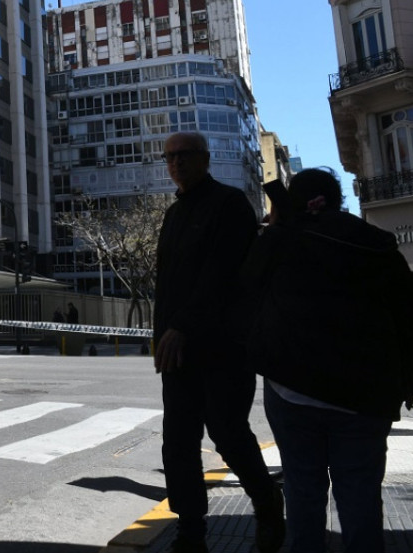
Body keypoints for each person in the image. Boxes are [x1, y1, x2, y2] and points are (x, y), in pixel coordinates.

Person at [241, 168, 413, 553]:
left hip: (292, 392)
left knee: (304, 496)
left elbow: (245, 297)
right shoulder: (378, 246)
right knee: (361, 498)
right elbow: (407, 317)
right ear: (335, 200)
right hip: (366, 399)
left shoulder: (280, 241)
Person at [153, 131, 283, 553]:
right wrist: (162, 339)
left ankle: (267, 506)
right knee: (178, 441)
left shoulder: (228, 205)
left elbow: (223, 276)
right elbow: (167, 287)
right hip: (177, 351)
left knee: (228, 434)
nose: (176, 163)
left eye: (184, 155)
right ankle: (190, 531)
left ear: (205, 159)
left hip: (223, 347)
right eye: (170, 157)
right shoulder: (174, 215)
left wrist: (184, 326)